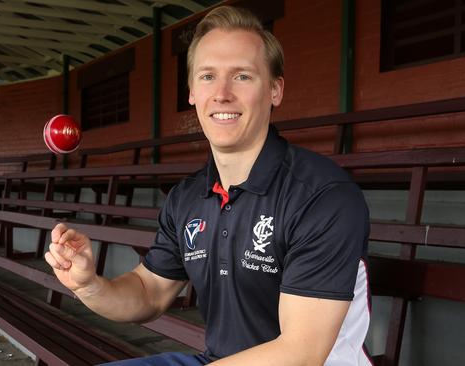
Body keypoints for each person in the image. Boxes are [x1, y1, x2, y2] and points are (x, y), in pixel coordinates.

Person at [45, 5, 371, 366]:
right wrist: (89, 285)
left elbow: (300, 353)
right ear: (191, 93)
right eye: (207, 77)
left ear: (275, 90)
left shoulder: (322, 195)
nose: (222, 93)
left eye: (243, 76)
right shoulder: (188, 197)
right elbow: (148, 292)